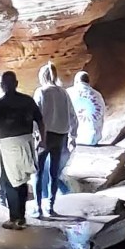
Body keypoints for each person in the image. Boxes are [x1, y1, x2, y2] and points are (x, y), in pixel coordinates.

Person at [0, 70, 43, 229]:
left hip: (8, 145)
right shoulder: (28, 101)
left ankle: (14, 218)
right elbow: (40, 121)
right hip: (26, 142)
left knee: (10, 182)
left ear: (2, 86)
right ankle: (21, 217)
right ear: (16, 84)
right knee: (23, 180)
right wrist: (43, 140)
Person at [35, 62, 78, 217]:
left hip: (45, 136)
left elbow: (36, 115)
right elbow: (72, 115)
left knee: (38, 172)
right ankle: (51, 206)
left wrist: (35, 135)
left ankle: (38, 207)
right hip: (60, 136)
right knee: (54, 172)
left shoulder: (41, 92)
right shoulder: (63, 93)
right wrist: (73, 135)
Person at [70, 70, 106, 146]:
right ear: (88, 82)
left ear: (76, 81)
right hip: (93, 139)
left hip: (74, 139)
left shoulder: (69, 92)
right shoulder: (98, 95)